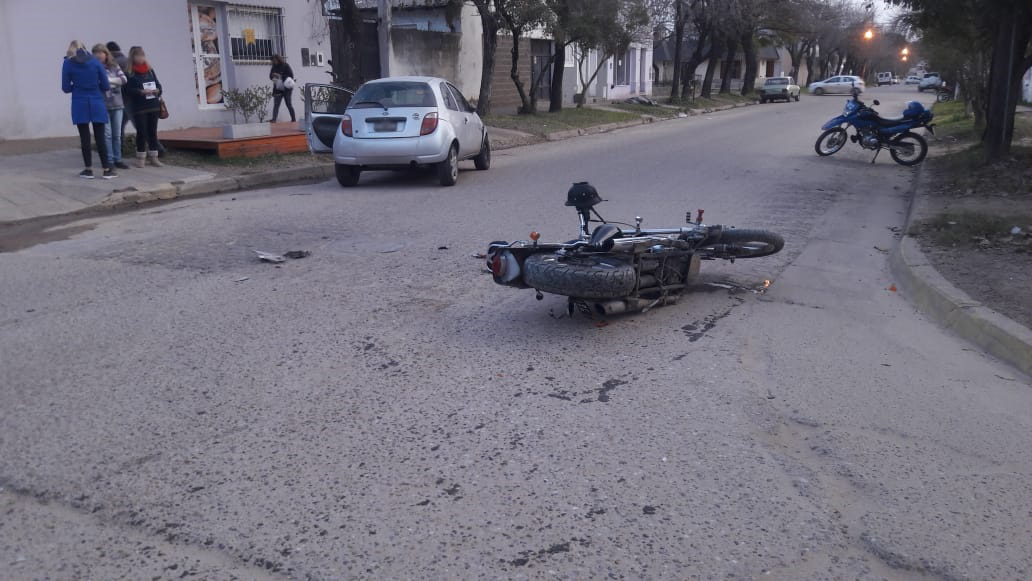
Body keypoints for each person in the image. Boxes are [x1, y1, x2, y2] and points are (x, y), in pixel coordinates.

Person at [62, 40, 114, 179]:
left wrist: (77, 87)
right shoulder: (95, 62)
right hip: (96, 101)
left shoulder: (68, 63)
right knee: (100, 137)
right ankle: (107, 170)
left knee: (84, 138)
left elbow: (65, 88)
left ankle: (88, 170)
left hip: (79, 102)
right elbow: (106, 85)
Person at [124, 46, 164, 168]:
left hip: (153, 105)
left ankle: (154, 157)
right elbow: (126, 90)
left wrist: (157, 90)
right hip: (140, 107)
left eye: (142, 55)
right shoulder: (129, 73)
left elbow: (158, 85)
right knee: (142, 132)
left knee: (152, 132)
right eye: (137, 55)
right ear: (132, 57)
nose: (140, 58)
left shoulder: (150, 70)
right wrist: (140, 91)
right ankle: (141, 157)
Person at [93, 44, 129, 170]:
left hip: (118, 105)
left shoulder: (114, 66)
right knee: (107, 135)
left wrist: (108, 81)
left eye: (100, 53)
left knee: (116, 134)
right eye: (95, 53)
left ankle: (118, 159)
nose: (98, 55)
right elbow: (97, 83)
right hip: (103, 105)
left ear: (106, 54)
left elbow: (123, 80)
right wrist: (114, 81)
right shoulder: (94, 68)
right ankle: (109, 160)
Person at [269, 54, 296, 123]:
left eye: (274, 60)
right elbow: (270, 76)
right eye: (272, 61)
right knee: (276, 104)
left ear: (278, 59)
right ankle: (274, 119)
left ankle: (293, 119)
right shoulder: (274, 67)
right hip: (278, 89)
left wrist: (280, 76)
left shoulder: (285, 65)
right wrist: (273, 76)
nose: (273, 62)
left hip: (287, 88)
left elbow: (291, 76)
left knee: (288, 104)